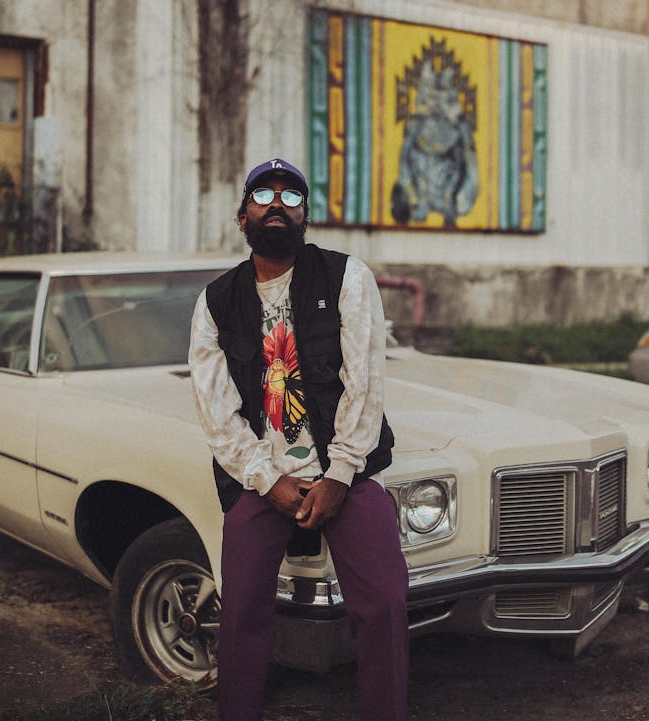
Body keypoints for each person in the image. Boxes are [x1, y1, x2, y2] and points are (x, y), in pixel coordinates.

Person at [189, 158, 409, 721]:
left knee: (384, 601)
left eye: (291, 197)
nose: (277, 205)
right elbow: (218, 412)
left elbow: (366, 381)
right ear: (244, 217)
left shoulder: (346, 277)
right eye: (264, 194)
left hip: (346, 473)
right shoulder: (216, 302)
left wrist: (339, 475)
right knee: (239, 610)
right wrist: (267, 482)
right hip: (263, 480)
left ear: (304, 215)